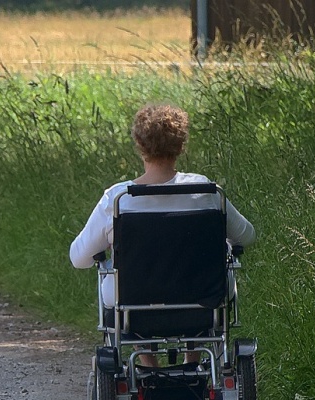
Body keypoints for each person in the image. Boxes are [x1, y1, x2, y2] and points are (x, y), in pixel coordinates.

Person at [69, 104, 256, 366]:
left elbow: (79, 258)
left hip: (134, 308)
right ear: (181, 145)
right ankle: (195, 358)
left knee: (117, 283)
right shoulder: (208, 193)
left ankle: (148, 365)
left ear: (139, 144)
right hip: (203, 304)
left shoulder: (119, 198)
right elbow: (247, 236)